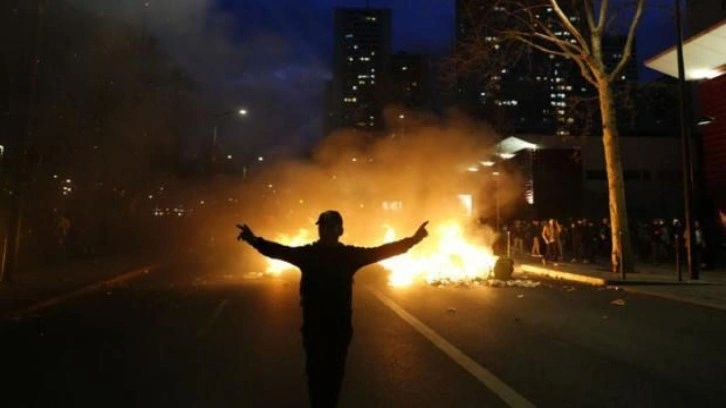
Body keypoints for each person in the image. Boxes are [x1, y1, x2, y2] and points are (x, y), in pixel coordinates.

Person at [236, 210, 429, 407]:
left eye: (330, 227)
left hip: (339, 329)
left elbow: (382, 251)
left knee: (333, 376)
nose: (325, 231)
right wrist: (253, 240)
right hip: (314, 328)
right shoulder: (310, 254)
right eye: (322, 227)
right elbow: (278, 251)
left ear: (340, 230)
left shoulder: (347, 256)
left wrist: (413, 240)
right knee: (316, 375)